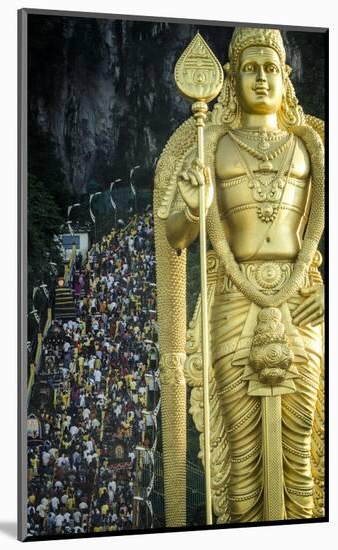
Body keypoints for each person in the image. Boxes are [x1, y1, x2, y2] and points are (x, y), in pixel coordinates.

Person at [155, 27, 324, 525]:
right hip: (234, 296)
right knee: (242, 452)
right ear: (231, 79)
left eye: (271, 67)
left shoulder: (310, 145)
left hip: (302, 298)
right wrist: (192, 207)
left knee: (301, 444)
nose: (262, 78)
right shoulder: (212, 143)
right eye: (249, 68)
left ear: (287, 76)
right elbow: (175, 235)